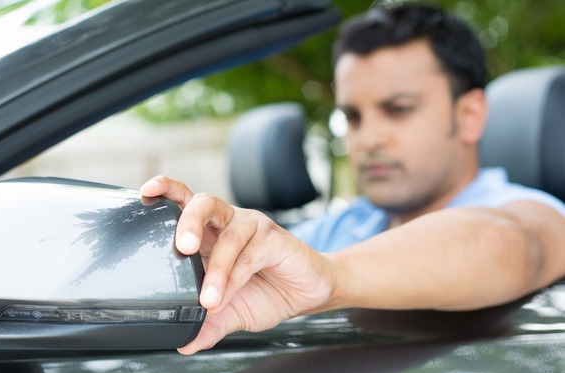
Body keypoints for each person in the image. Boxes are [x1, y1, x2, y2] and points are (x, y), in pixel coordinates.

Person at [139, 3, 565, 355]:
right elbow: (272, 264)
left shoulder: (530, 212)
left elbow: (513, 245)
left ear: (469, 116)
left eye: (399, 109)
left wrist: (330, 277)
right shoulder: (345, 224)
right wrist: (196, 265)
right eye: (354, 117)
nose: (368, 140)